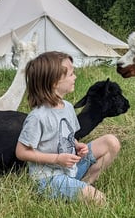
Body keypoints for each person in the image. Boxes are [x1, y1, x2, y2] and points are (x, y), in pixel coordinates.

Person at [16, 51, 121, 204]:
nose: (75, 77)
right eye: (71, 74)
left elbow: (68, 136)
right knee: (98, 199)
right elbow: (21, 152)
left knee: (111, 142)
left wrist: (78, 146)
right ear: (54, 83)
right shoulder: (37, 117)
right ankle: (81, 192)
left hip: (70, 168)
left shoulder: (68, 107)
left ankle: (85, 183)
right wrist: (57, 159)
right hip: (49, 178)